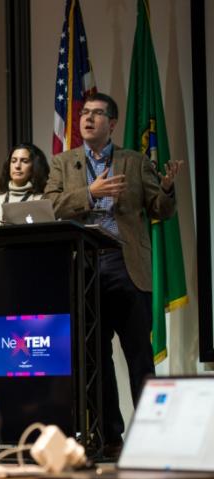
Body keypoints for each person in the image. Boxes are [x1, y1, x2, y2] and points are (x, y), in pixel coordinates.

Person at [42, 92, 182, 456]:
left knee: (139, 354)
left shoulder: (133, 162)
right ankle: (110, 438)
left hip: (124, 262)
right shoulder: (62, 163)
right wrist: (89, 192)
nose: (88, 119)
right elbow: (50, 206)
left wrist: (167, 188)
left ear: (112, 123)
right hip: (84, 264)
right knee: (95, 356)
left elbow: (160, 210)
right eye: (84, 113)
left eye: (97, 113)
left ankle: (153, 436)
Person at [0, 143, 49, 227]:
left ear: (35, 166)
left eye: (24, 161)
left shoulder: (43, 201)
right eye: (13, 161)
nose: (17, 166)